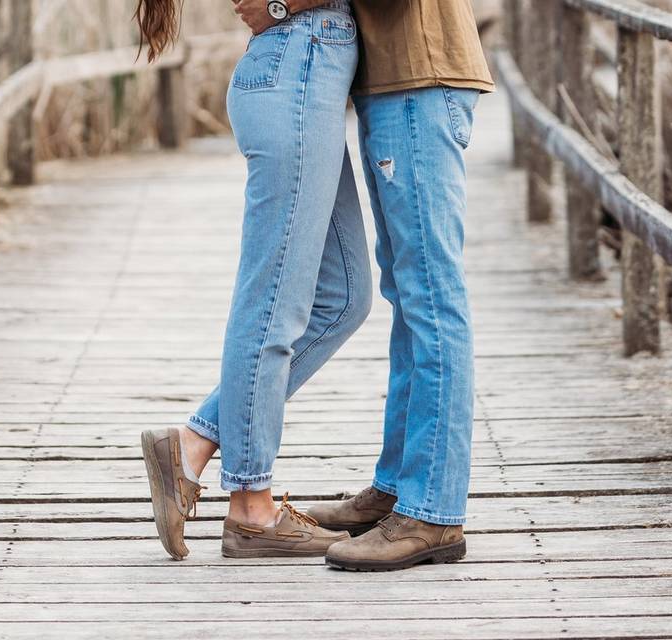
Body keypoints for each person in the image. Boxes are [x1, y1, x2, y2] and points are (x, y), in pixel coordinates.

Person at [233, 0, 495, 572]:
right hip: (395, 81)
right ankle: (400, 488)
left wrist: (286, 4)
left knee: (431, 295)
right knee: (410, 292)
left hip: (422, 78)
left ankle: (433, 511)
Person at [137, 0, 375, 559]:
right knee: (275, 301)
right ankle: (251, 507)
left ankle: (195, 442)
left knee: (345, 297)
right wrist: (281, 4)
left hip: (304, 67)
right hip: (300, 62)